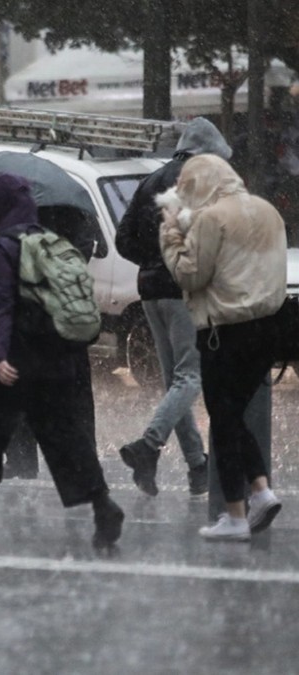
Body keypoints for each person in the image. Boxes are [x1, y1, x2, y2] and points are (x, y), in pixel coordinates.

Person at [0, 173, 123, 549]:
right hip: (57, 362)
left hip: (14, 365)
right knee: (67, 440)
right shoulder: (51, 242)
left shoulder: (1, 247)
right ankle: (104, 506)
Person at [159, 154, 285, 541]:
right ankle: (260, 492)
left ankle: (236, 514)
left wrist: (171, 234)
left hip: (224, 332)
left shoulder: (213, 218)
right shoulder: (268, 211)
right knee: (233, 416)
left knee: (224, 420)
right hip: (268, 328)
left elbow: (190, 274)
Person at [114, 117, 231, 498]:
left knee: (174, 380)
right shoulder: (203, 180)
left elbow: (123, 239)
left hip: (149, 289)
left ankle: (198, 466)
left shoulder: (152, 179)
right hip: (183, 288)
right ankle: (148, 446)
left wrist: (152, 261)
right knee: (190, 375)